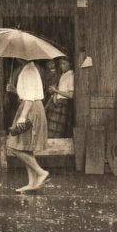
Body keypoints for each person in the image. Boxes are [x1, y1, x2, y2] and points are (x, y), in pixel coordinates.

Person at [6, 60, 50, 192]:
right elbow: (27, 94)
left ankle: (41, 172)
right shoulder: (27, 69)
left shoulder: (29, 71)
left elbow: (30, 97)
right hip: (30, 107)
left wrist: (23, 116)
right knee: (26, 146)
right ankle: (32, 183)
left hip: (30, 109)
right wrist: (15, 91)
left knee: (13, 146)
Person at [46, 56, 74, 138]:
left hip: (62, 104)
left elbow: (71, 95)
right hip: (56, 103)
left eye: (64, 64)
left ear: (70, 64)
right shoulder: (63, 74)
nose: (62, 66)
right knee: (49, 131)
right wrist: (53, 90)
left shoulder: (71, 75)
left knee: (56, 132)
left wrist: (56, 91)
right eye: (61, 64)